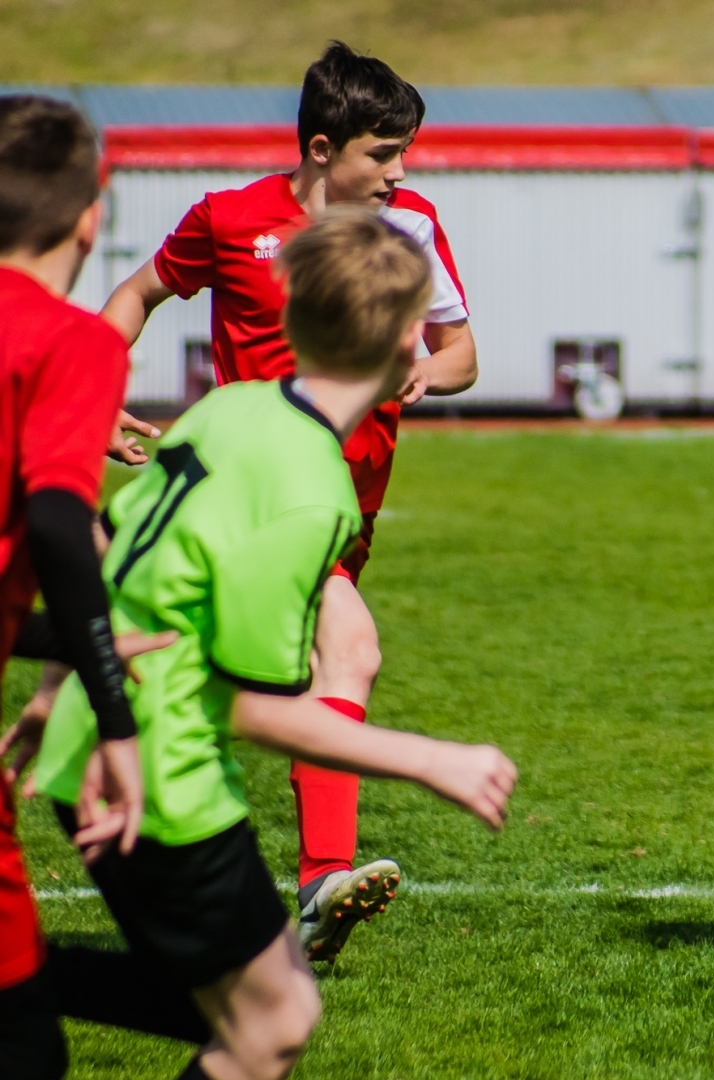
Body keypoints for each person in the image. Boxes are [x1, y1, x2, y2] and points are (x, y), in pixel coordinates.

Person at [29, 209, 516, 1080]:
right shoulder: (314, 491)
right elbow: (252, 706)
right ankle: (18, 987)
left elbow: (109, 548)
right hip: (158, 774)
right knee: (273, 1026)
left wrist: (53, 690)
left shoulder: (229, 406)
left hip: (96, 735)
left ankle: (24, 986)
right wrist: (432, 760)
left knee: (263, 1007)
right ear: (412, 341)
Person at [101, 40, 478, 962]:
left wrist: (431, 366)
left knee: (261, 679)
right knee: (348, 649)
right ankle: (317, 878)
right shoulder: (230, 221)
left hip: (346, 506)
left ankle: (158, 818)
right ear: (320, 149)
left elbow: (466, 352)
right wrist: (96, 395)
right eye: (382, 154)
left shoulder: (415, 224)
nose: (399, 174)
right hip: (257, 489)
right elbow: (137, 293)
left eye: (404, 153)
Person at [0, 93, 189, 1080]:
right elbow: (61, 530)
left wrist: (65, 644)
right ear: (91, 212)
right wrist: (113, 717)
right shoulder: (68, 341)